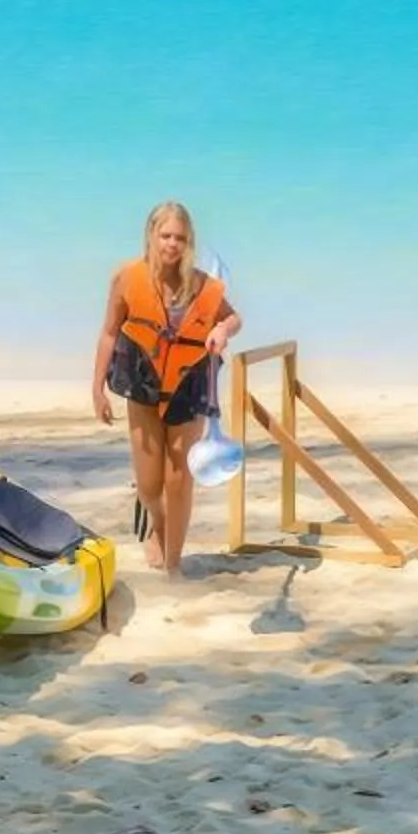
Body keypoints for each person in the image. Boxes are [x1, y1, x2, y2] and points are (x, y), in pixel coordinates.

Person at [92, 202, 242, 578]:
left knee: (179, 481)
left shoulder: (201, 284)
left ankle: (174, 565)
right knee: (149, 484)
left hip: (188, 385)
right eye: (165, 236)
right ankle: (155, 525)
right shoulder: (127, 278)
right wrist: (97, 388)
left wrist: (222, 330)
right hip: (142, 380)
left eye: (180, 237)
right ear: (151, 235)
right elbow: (110, 332)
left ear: (188, 242)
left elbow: (233, 317)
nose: (172, 244)